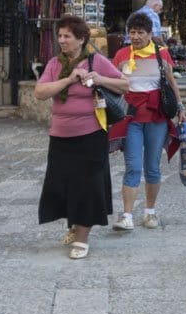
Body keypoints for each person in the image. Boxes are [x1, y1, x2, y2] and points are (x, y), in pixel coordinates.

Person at [36, 15, 128, 260]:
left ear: (81, 39)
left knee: (87, 187)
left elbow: (125, 84)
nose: (61, 40)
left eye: (67, 36)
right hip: (61, 136)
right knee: (63, 186)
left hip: (91, 135)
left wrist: (98, 78)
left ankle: (82, 238)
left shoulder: (96, 60)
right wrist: (68, 79)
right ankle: (73, 226)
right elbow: (40, 92)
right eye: (60, 36)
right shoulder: (55, 64)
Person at [110, 12, 186, 232]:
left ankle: (150, 212)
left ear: (150, 34)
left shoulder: (161, 54)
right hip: (132, 116)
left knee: (152, 167)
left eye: (140, 32)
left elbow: (171, 82)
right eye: (132, 32)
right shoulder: (122, 54)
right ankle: (126, 215)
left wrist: (180, 107)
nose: (136, 37)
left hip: (157, 117)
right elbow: (114, 82)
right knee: (132, 166)